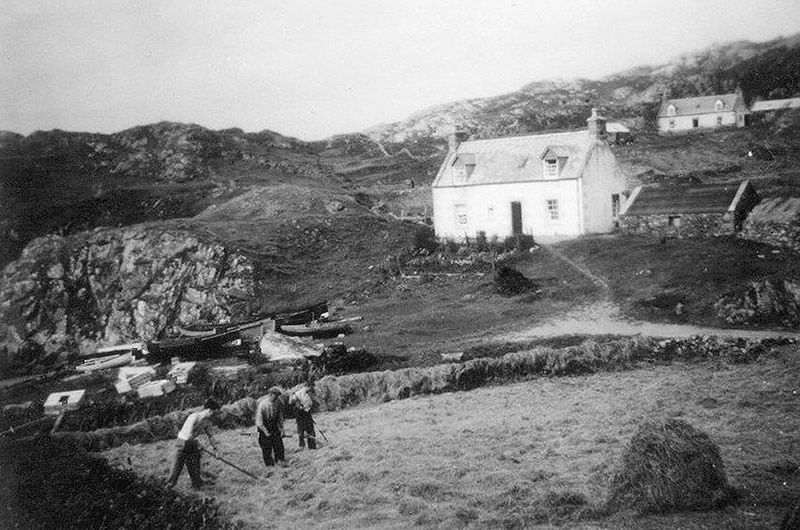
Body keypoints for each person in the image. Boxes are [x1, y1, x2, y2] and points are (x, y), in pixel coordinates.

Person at [167, 398, 220, 489]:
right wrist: (198, 444)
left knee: (195, 464)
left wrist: (216, 449)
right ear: (209, 410)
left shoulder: (206, 421)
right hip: (182, 441)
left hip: (192, 442)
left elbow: (211, 436)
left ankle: (196, 485)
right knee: (177, 466)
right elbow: (188, 434)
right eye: (214, 413)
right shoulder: (194, 417)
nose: (214, 416)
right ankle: (169, 486)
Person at [255, 386, 285, 467]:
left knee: (278, 444)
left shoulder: (277, 402)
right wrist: (266, 432)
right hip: (263, 426)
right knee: (266, 447)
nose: (277, 398)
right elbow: (259, 422)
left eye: (277, 396)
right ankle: (269, 465)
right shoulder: (263, 405)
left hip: (273, 424)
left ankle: (280, 461)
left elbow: (280, 415)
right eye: (275, 396)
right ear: (270, 395)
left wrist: (282, 429)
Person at [289, 382, 317, 449]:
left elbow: (310, 404)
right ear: (307, 386)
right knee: (301, 430)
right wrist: (298, 405)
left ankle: (312, 446)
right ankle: (302, 446)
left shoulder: (310, 394)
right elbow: (291, 401)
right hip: (300, 413)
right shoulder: (299, 393)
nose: (311, 389)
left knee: (310, 429)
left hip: (307, 412)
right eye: (310, 387)